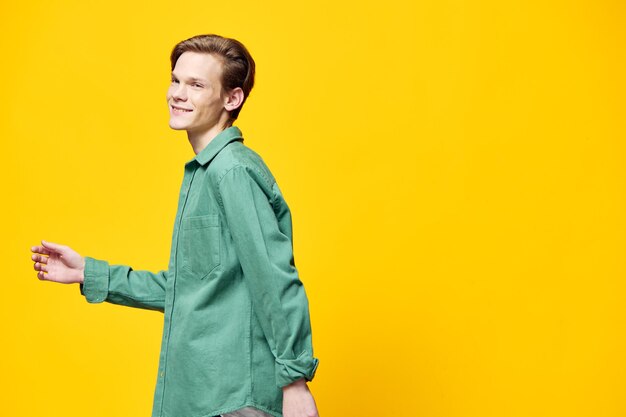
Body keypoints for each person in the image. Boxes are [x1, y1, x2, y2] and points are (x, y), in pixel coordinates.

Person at [30, 34, 320, 417]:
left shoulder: (232, 171)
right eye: (176, 80)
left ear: (231, 99)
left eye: (196, 85)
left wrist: (295, 381)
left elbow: (273, 276)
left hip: (233, 399)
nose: (177, 94)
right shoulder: (205, 173)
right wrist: (89, 272)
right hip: (201, 394)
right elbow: (189, 288)